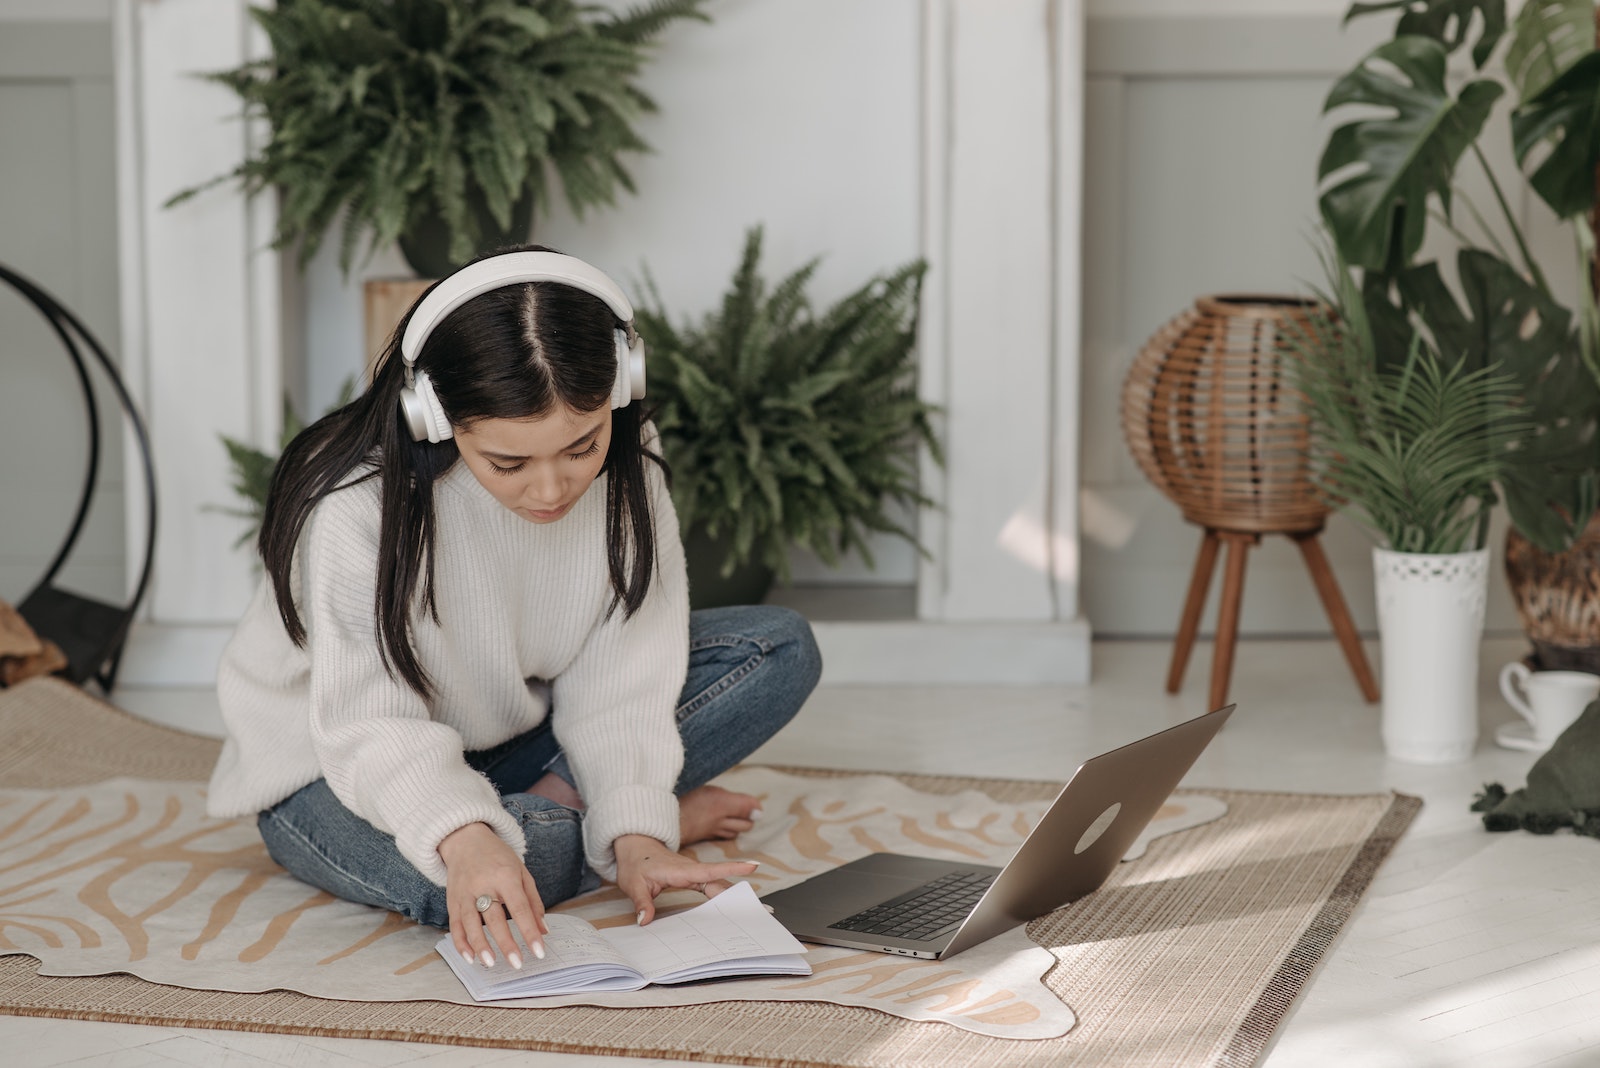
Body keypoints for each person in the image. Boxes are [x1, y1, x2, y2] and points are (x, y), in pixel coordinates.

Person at [205, 246, 822, 972]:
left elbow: (624, 664)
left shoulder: (628, 458)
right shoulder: (355, 507)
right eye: (509, 463)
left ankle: (579, 822)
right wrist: (468, 841)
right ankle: (561, 823)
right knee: (460, 887)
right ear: (433, 416)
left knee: (779, 647)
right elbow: (367, 722)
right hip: (329, 766)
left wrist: (635, 831)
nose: (551, 489)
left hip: (508, 735)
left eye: (580, 446)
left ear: (622, 388)